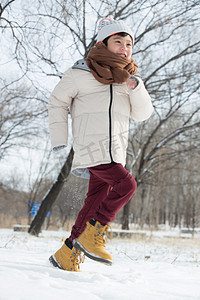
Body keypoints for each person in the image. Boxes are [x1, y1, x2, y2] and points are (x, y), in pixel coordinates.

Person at [48, 18, 153, 271]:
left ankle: (67, 253)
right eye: (118, 41)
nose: (124, 48)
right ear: (102, 43)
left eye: (129, 44)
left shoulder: (128, 79)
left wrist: (136, 88)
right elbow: (57, 102)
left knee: (93, 202)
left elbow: (142, 114)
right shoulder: (79, 73)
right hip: (92, 148)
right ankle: (95, 231)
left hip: (114, 150)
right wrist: (59, 140)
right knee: (126, 184)